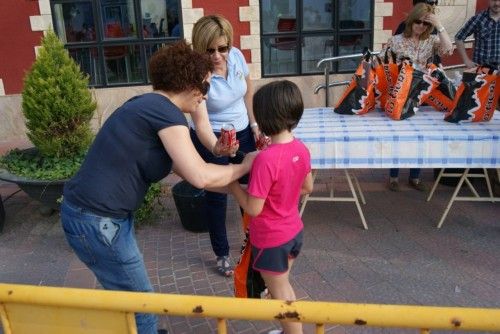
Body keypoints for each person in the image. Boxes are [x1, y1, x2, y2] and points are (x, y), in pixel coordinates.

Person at [60, 40, 256, 334]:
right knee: (143, 306)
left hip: (102, 218)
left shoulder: (150, 109)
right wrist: (246, 165)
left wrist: (241, 187)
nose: (205, 98)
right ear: (188, 85)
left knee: (134, 298)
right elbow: (202, 177)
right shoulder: (165, 113)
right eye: (204, 88)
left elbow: (194, 174)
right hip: (97, 220)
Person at [228, 80, 313, 334]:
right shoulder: (301, 148)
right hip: (294, 232)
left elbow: (253, 209)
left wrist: (233, 183)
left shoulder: (265, 159)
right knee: (282, 286)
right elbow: (307, 187)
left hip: (271, 240)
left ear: (264, 118)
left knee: (281, 294)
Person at [190, 14, 259, 277]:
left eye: (222, 48)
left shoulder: (237, 56)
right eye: (209, 51)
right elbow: (202, 123)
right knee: (217, 194)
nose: (217, 56)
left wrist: (254, 126)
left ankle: (256, 242)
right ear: (200, 48)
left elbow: (248, 91)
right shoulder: (196, 75)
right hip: (213, 135)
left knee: (252, 188)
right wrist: (217, 148)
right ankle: (221, 253)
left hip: (242, 131)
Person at [385, 3, 453, 191]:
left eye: (426, 24)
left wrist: (439, 26)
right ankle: (393, 176)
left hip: (423, 95)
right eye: (418, 21)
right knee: (398, 136)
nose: (421, 26)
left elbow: (449, 49)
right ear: (410, 20)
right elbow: (386, 65)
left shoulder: (431, 41)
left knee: (420, 136)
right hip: (400, 93)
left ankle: (414, 177)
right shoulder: (396, 40)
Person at [455, 0, 499, 69]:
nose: (497, 3)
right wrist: (466, 60)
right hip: (481, 71)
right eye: (494, 0)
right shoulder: (478, 19)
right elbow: (459, 38)